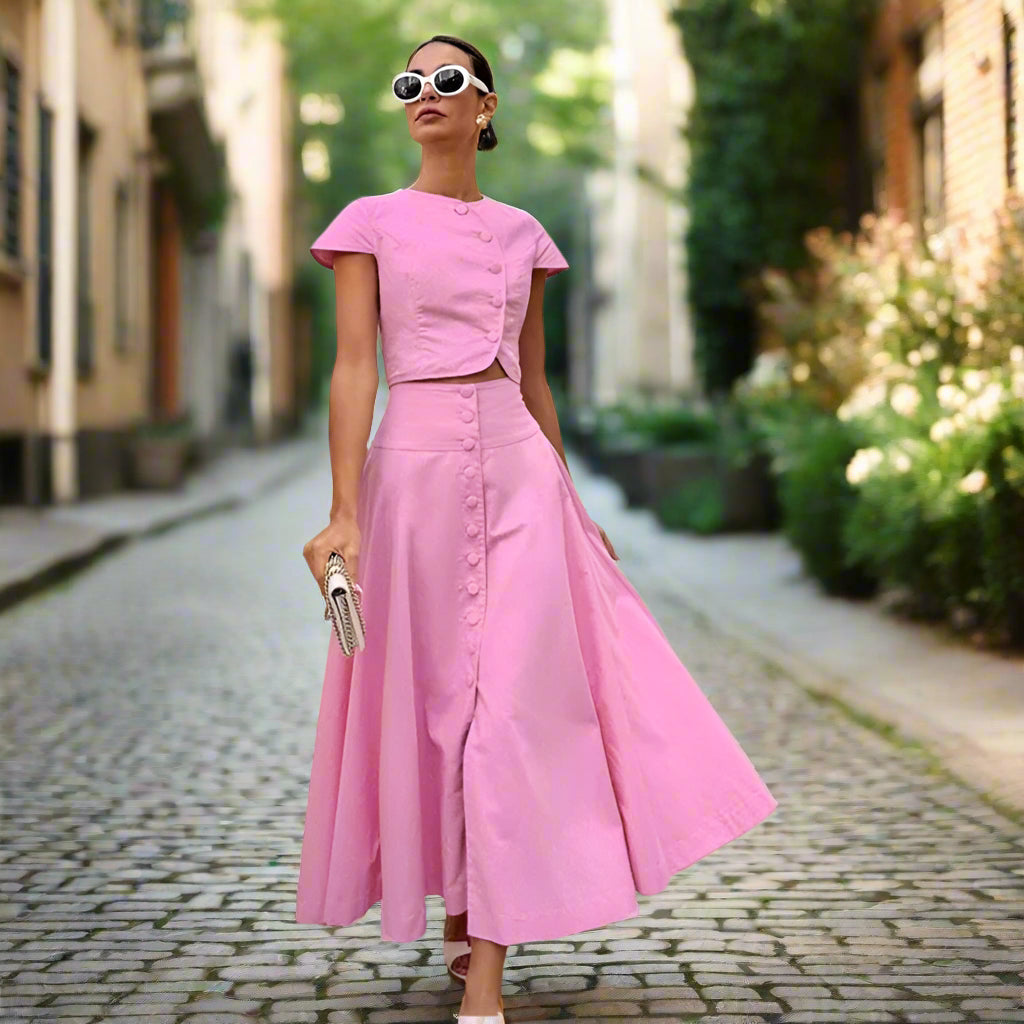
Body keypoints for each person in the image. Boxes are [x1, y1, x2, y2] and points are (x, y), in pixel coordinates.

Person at [298, 33, 778, 1024]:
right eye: (409, 83)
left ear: (485, 106)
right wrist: (344, 511)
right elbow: (354, 369)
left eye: (446, 80)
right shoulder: (368, 223)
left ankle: (486, 978)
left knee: (512, 706)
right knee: (439, 708)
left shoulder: (525, 235)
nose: (423, 93)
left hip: (519, 471)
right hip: (416, 473)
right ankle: (464, 908)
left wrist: (569, 500)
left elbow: (538, 378)